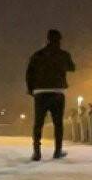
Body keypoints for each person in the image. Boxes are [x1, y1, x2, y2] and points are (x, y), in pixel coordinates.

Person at [25, 28, 75, 160]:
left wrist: (31, 90)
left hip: (40, 92)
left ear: (46, 39)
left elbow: (29, 74)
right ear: (59, 40)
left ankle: (37, 152)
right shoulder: (63, 54)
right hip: (57, 92)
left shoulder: (37, 55)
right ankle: (57, 151)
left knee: (38, 123)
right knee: (58, 123)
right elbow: (72, 68)